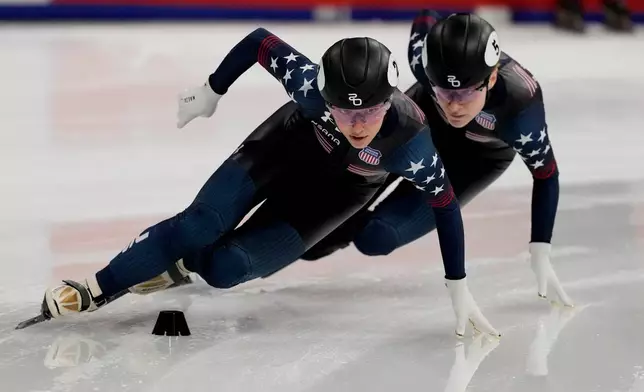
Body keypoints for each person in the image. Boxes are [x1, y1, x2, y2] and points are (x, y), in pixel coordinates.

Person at [38, 27, 499, 337]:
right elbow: (260, 42)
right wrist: (212, 90)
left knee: (224, 271)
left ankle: (180, 267)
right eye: (344, 111)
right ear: (325, 95)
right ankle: (95, 286)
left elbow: (445, 204)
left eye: (370, 112)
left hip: (336, 195)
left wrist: (457, 284)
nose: (358, 124)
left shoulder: (412, 140)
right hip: (282, 151)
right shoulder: (309, 87)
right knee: (201, 223)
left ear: (391, 98)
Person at [299, 10, 574, 308]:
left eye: (467, 93)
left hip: (475, 162)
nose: (454, 106)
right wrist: (453, 27)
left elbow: (546, 175)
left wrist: (540, 249)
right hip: (415, 131)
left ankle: (353, 224)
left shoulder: (521, 102)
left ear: (492, 78)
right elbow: (425, 16)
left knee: (376, 238)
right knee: (313, 237)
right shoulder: (423, 61)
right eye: (444, 90)